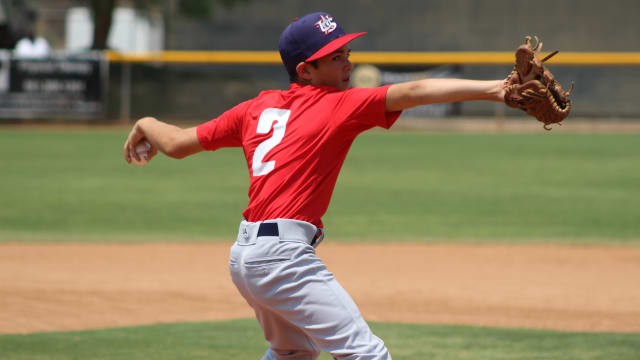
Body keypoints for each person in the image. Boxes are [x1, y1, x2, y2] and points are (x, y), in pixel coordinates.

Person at [124, 12, 505, 360]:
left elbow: (174, 143)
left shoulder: (255, 108)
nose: (348, 63)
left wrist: (144, 122)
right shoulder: (339, 105)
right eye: (335, 57)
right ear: (305, 71)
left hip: (245, 258)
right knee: (367, 354)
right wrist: (497, 88)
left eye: (346, 52)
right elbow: (416, 91)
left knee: (292, 352)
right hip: (282, 258)